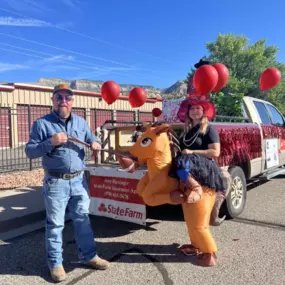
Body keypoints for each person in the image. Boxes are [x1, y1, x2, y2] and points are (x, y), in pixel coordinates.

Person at [25, 84, 110, 282]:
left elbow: (92, 138)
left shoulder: (80, 123)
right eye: (59, 97)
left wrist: (96, 142)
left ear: (73, 102)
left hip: (79, 181)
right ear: (52, 100)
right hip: (56, 182)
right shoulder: (42, 124)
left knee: (83, 220)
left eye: (68, 98)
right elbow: (30, 151)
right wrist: (50, 142)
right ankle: (55, 264)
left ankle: (89, 256)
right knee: (55, 224)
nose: (64, 101)